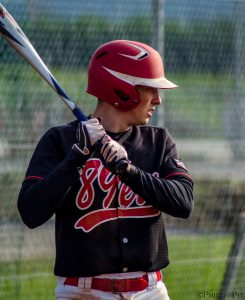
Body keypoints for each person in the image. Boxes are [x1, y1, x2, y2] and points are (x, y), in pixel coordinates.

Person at [18, 40, 194, 300]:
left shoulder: (159, 142)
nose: (158, 100)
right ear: (122, 89)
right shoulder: (61, 141)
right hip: (82, 292)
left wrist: (129, 171)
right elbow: (30, 212)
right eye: (150, 89)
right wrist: (76, 157)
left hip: (150, 291)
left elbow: (183, 203)